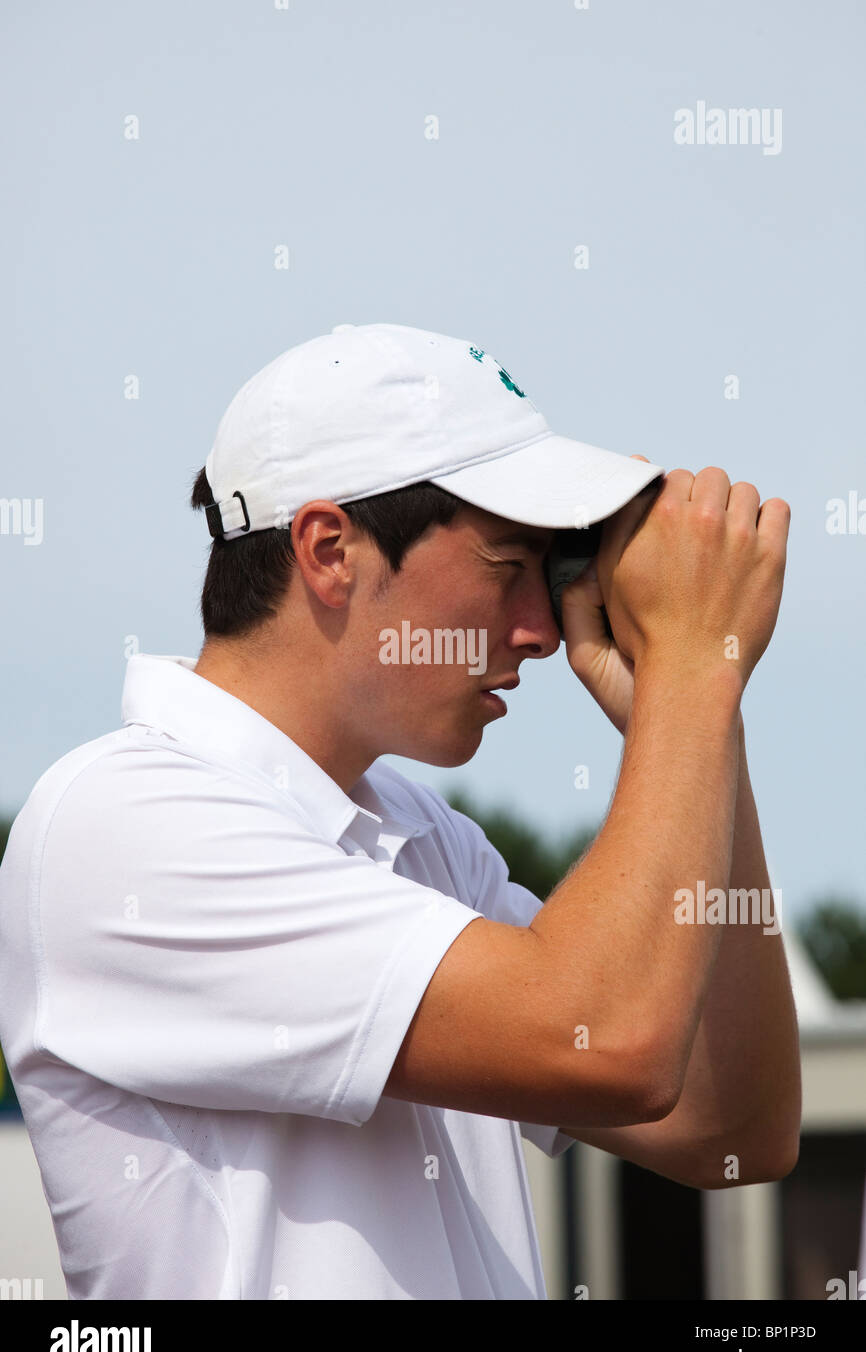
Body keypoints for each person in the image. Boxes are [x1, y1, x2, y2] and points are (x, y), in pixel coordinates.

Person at [0, 323, 800, 1300]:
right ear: (329, 549)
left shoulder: (422, 842)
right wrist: (687, 668)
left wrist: (694, 713)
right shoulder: (120, 822)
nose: (543, 630)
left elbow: (732, 1128)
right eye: (510, 567)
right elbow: (612, 1039)